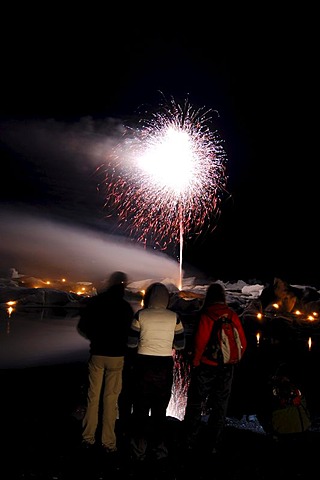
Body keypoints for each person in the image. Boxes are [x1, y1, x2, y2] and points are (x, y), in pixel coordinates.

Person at [183, 282, 247, 456]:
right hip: (227, 367)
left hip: (206, 366)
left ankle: (189, 440)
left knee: (196, 402)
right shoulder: (232, 315)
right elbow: (242, 342)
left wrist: (195, 362)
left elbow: (199, 342)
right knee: (220, 406)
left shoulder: (206, 315)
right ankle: (213, 444)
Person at [127, 282, 185, 467]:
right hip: (164, 365)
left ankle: (139, 451)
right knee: (160, 410)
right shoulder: (174, 317)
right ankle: (159, 450)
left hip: (143, 365)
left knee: (141, 409)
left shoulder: (140, 315)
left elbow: (130, 342)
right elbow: (181, 344)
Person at [77, 271, 134, 455]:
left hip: (97, 354)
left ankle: (88, 438)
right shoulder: (125, 307)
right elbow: (131, 333)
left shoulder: (96, 302)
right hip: (117, 356)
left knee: (93, 397)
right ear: (123, 286)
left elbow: (82, 327)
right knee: (111, 399)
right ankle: (108, 442)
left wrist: (95, 338)